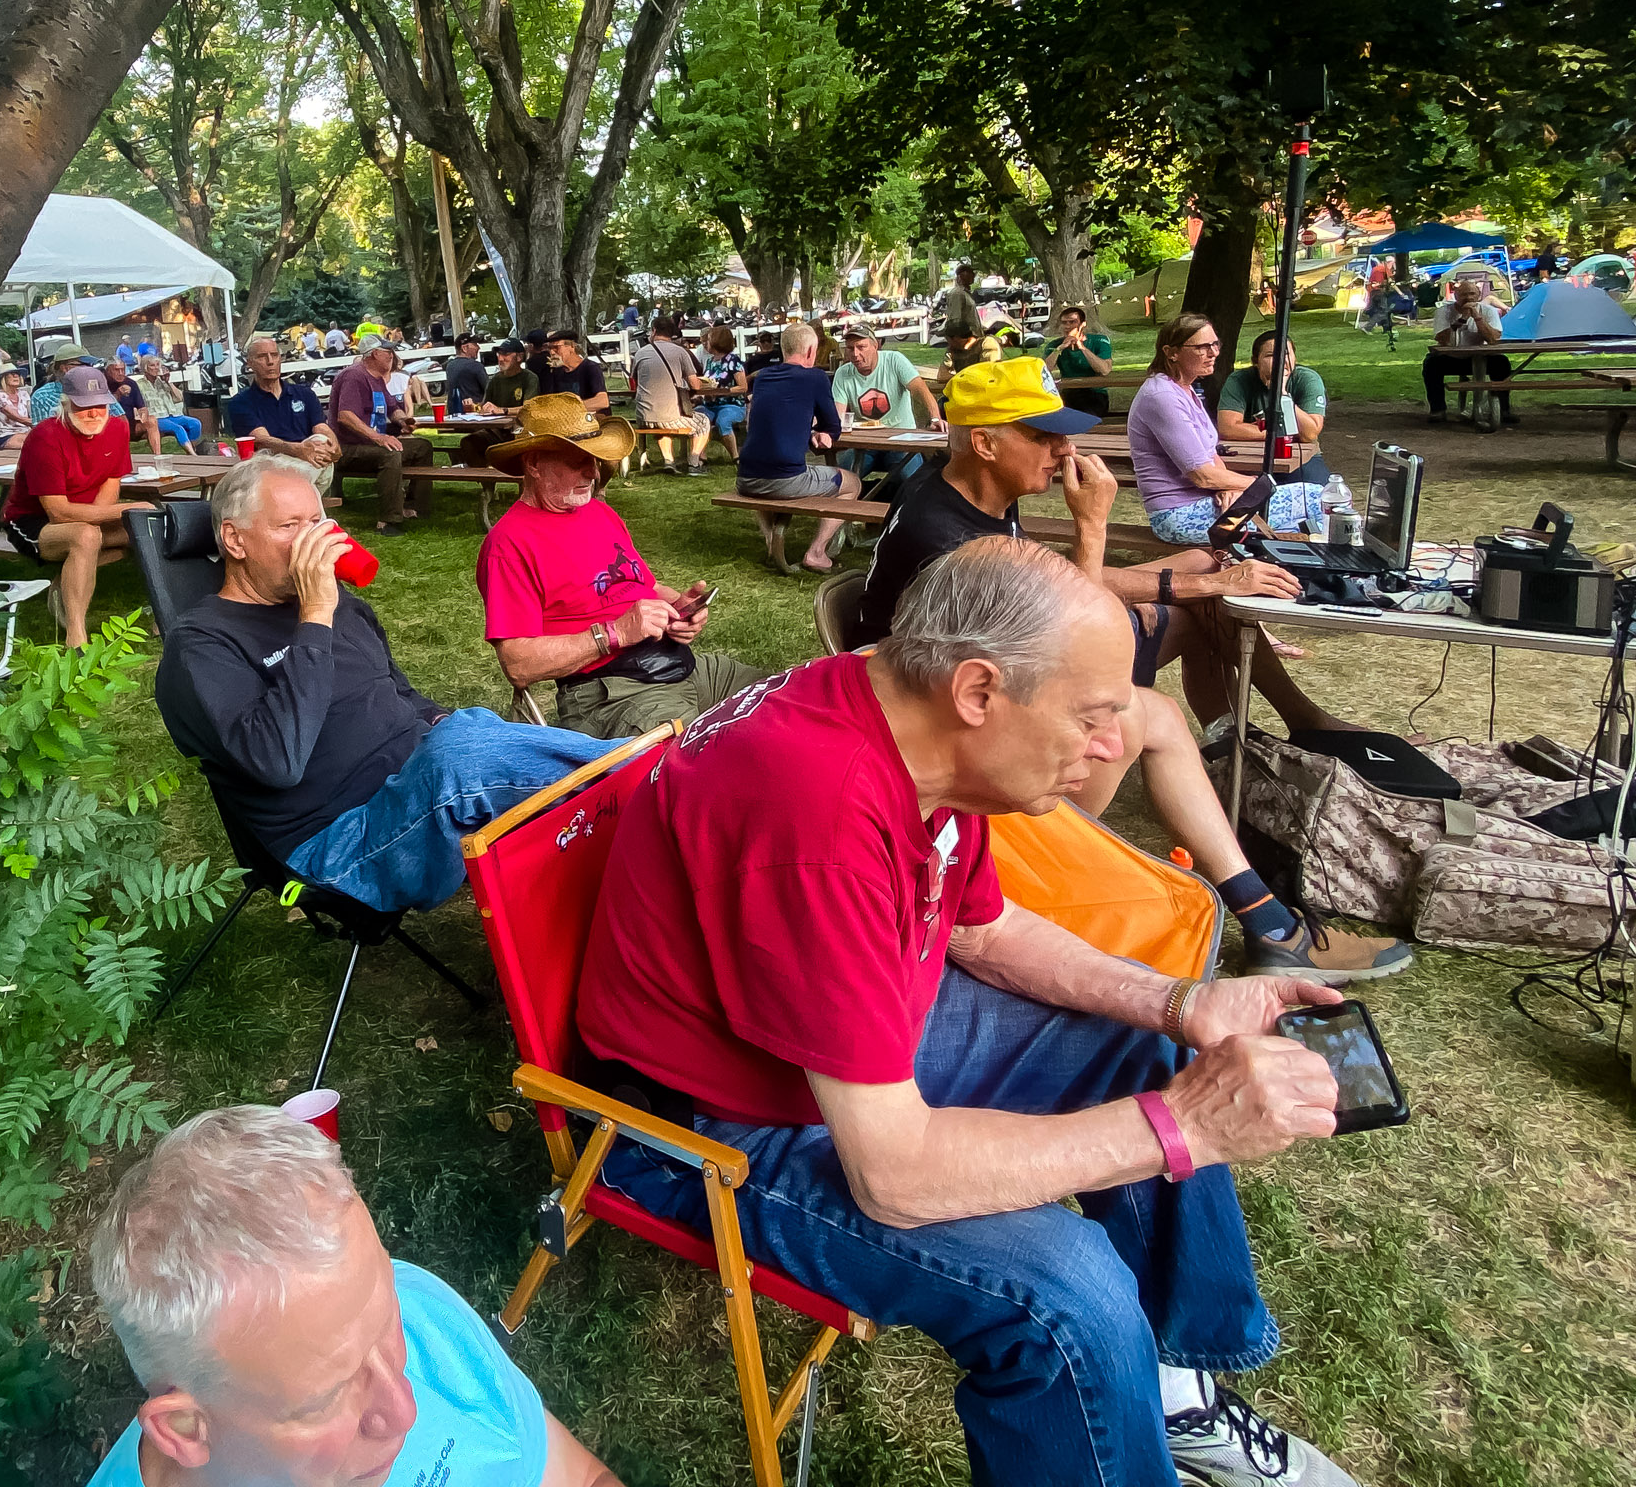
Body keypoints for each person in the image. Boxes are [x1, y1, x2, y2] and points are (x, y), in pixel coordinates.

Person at [581, 539, 1372, 1487]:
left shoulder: (904, 717)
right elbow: (895, 1177)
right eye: (1092, 716)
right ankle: (1124, 1397)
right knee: (1066, 1294)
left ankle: (1172, 1386)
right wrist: (1185, 1127)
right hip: (700, 1127)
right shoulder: (820, 814)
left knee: (1150, 1044)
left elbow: (984, 932)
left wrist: (1182, 1001)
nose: (1113, 746)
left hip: (823, 1037)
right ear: (980, 691)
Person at [854, 358, 1404, 981]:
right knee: (1155, 713)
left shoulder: (965, 492)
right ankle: (1266, 920)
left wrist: (1194, 582)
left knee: (1202, 588)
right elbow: (1061, 635)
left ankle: (1270, 740)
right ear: (983, 443)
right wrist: (1093, 528)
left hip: (974, 691)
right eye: (1043, 436)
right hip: (950, 735)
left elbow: (1035, 582)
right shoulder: (954, 536)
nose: (1064, 448)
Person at [154, 456, 610, 910]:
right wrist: (314, 618)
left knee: (471, 736)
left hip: (418, 787)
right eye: (290, 526)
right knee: (464, 754)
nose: (314, 541)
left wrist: (440, 722)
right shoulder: (201, 645)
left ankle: (635, 797)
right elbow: (278, 762)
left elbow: (400, 694)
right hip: (338, 843)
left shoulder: (343, 606)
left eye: (317, 522)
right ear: (235, 539)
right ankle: (645, 769)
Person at [88, 1104, 621, 1487]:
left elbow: (577, 1475)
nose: (403, 1410)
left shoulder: (420, 1313)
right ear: (184, 1429)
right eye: (327, 1398)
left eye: (387, 1323)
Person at [479, 395, 764, 736]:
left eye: (595, 459)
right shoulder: (509, 544)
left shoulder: (599, 513)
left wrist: (680, 608)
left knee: (793, 695)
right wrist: (615, 634)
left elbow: (645, 585)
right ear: (535, 463)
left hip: (685, 667)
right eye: (577, 460)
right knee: (715, 754)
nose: (593, 471)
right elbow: (518, 663)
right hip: (612, 692)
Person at [1128, 316, 1322, 547]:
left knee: (1296, 523)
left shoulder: (1184, 390)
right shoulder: (1162, 396)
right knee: (1317, 499)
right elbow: (1202, 475)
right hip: (1178, 516)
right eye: (1202, 347)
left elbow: (1210, 455)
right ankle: (1348, 577)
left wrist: (1229, 486)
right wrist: (1256, 485)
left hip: (1204, 501)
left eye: (1215, 344)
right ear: (1172, 353)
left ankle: (1310, 576)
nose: (1213, 353)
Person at [0, 366, 132, 647]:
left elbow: (110, 485)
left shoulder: (119, 428)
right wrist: (124, 512)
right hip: (32, 520)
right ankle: (75, 634)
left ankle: (169, 616)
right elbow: (57, 512)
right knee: (85, 536)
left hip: (86, 514)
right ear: (65, 403)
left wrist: (110, 518)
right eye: (84, 406)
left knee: (147, 528)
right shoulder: (45, 436)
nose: (94, 413)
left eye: (100, 405)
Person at [734, 323, 863, 575]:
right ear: (811, 351)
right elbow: (832, 426)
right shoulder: (814, 378)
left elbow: (774, 420)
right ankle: (816, 552)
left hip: (745, 477)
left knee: (765, 482)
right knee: (852, 483)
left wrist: (809, 431)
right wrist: (821, 434)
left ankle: (773, 543)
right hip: (785, 478)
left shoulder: (762, 378)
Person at [330, 341, 435, 535]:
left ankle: (415, 507)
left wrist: (404, 421)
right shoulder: (354, 376)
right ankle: (388, 521)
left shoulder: (376, 378)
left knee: (423, 447)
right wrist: (378, 437)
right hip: (346, 448)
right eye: (387, 352)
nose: (391, 356)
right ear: (373, 354)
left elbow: (393, 409)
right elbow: (345, 415)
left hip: (371, 445)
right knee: (390, 454)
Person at [830, 322, 940, 497]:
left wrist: (935, 419)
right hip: (863, 444)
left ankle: (888, 501)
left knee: (914, 481)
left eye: (861, 347)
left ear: (875, 346)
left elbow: (920, 390)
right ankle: (870, 501)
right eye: (850, 348)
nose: (855, 354)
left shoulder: (894, 360)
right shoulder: (843, 373)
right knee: (839, 479)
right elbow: (838, 414)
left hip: (902, 440)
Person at [226, 335, 341, 501]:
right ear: (249, 363)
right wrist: (298, 450)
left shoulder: (304, 394)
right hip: (271, 462)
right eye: (262, 357)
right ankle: (304, 504)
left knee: (322, 439)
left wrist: (334, 444)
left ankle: (298, 502)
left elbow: (321, 427)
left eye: (274, 355)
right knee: (317, 465)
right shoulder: (241, 402)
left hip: (310, 459)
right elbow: (262, 440)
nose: (270, 361)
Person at [1217, 333, 1329, 475]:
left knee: (1318, 491)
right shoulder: (1239, 381)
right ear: (1255, 361)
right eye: (1270, 355)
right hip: (1251, 456)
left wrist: (1282, 395)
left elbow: (1310, 434)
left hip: (1299, 457)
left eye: (1286, 354)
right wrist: (1284, 433)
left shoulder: (1308, 379)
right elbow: (1227, 429)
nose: (1280, 360)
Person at [1423, 270, 1513, 426]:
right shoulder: (1443, 312)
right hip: (1452, 358)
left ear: (1478, 295)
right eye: (1464, 294)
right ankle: (1438, 410)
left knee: (1502, 364)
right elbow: (1442, 340)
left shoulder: (1489, 311)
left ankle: (1503, 409)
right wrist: (1463, 318)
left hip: (1483, 357)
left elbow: (1493, 339)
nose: (1468, 298)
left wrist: (1477, 317)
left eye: (1472, 294)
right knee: (1431, 365)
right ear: (1456, 296)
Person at [630, 314, 713, 475]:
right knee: (703, 422)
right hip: (669, 417)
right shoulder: (680, 352)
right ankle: (694, 463)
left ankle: (669, 461)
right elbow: (695, 384)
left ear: (653, 331)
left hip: (643, 415)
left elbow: (633, 383)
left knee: (662, 422)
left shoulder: (641, 352)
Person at [1043, 305, 1115, 417]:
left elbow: (1105, 370)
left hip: (1094, 393)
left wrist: (1082, 348)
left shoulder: (1099, 341)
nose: (1067, 326)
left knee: (1087, 416)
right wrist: (1059, 349)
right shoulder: (1054, 345)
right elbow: (1044, 371)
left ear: (1083, 325)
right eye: (1064, 323)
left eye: (1072, 322)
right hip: (1069, 392)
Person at [697, 324, 747, 465]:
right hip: (710, 404)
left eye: (709, 339)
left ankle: (735, 457)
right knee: (697, 417)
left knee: (723, 421)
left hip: (732, 404)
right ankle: (700, 457)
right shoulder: (709, 362)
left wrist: (725, 392)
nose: (706, 343)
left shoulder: (733, 361)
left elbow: (743, 387)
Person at [137, 354, 203, 452]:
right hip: (157, 417)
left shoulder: (163, 382)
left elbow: (179, 398)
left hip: (173, 415)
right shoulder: (139, 384)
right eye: (152, 365)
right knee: (178, 428)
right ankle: (193, 455)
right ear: (145, 368)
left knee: (195, 423)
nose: (156, 368)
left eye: (158, 365)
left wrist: (168, 382)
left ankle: (193, 450)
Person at [105, 357, 166, 453]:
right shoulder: (103, 383)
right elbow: (104, 408)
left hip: (130, 426)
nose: (121, 373)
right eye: (117, 370)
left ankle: (157, 456)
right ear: (108, 370)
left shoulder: (130, 383)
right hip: (109, 427)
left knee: (151, 420)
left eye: (123, 369)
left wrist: (142, 416)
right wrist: (117, 394)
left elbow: (142, 408)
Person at [540, 332, 608, 412]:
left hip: (592, 420)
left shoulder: (590, 368)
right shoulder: (555, 372)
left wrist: (570, 409)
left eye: (556, 347)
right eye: (549, 348)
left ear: (571, 346)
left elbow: (603, 401)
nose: (552, 352)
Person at [940, 262, 985, 376]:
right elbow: (955, 320)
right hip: (965, 340)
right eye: (968, 273)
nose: (972, 275)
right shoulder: (957, 294)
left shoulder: (966, 293)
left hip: (974, 340)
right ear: (960, 276)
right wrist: (959, 343)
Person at [0, 366, 36, 449]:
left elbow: (32, 414)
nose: (16, 376)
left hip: (25, 432)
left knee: (38, 441)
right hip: (4, 435)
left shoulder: (24, 394)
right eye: (12, 374)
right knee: (32, 445)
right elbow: (18, 418)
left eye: (17, 374)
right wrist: (39, 424)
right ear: (4, 378)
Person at [442, 334, 488, 415]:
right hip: (476, 413)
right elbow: (489, 390)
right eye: (475, 345)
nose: (478, 348)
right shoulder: (476, 366)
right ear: (465, 348)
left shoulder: (450, 366)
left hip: (454, 414)